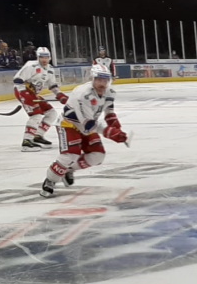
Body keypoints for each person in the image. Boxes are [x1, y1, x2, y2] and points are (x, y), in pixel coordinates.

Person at [39, 64, 128, 197]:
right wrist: (110, 133)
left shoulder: (110, 92)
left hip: (86, 125)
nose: (102, 83)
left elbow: (109, 112)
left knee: (98, 156)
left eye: (105, 80)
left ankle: (68, 169)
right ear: (92, 78)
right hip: (68, 125)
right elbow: (89, 125)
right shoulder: (83, 95)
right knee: (70, 155)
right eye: (99, 79)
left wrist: (116, 128)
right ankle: (50, 180)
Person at [13, 46, 67, 152]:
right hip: (23, 91)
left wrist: (60, 95)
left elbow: (52, 85)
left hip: (33, 94)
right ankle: (27, 142)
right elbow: (17, 80)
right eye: (42, 57)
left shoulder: (50, 69)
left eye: (46, 57)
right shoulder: (30, 65)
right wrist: (28, 86)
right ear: (38, 57)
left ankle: (37, 136)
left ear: (50, 57)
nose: (44, 59)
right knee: (36, 115)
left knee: (51, 113)